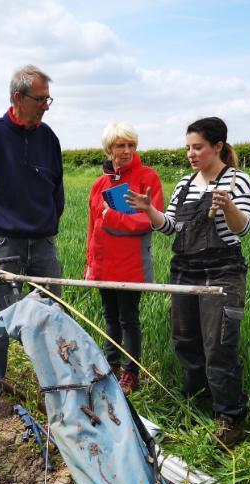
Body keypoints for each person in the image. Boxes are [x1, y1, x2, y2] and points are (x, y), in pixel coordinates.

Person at [127, 117, 250, 450]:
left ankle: (230, 417)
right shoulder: (185, 184)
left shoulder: (237, 180)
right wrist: (150, 210)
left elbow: (242, 228)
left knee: (219, 345)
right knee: (185, 339)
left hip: (222, 271)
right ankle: (196, 401)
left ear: (217, 146)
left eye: (197, 147)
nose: (191, 154)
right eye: (188, 148)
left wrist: (227, 206)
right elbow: (171, 227)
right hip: (184, 269)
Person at [0, 65, 64, 422]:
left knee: (53, 317)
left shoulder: (48, 138)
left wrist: (49, 225)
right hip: (5, 243)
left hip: (44, 244)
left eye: (48, 98)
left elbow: (57, 191)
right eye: (41, 99)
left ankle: (55, 390)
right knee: (0, 319)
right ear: (18, 97)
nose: (46, 106)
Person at [84, 122, 164, 396]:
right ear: (109, 148)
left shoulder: (147, 178)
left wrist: (113, 216)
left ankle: (131, 374)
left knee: (129, 318)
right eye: (121, 145)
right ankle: (110, 367)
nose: (127, 150)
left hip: (131, 264)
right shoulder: (99, 184)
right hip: (103, 263)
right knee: (109, 317)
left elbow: (150, 221)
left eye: (131, 145)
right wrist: (89, 264)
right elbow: (92, 226)